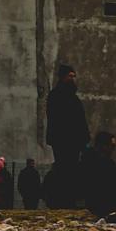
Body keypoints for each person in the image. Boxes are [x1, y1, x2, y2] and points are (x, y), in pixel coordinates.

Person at [45, 64, 90, 206]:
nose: (73, 79)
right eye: (70, 76)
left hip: (71, 140)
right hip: (65, 140)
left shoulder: (69, 97)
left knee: (70, 169)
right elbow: (60, 119)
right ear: (64, 77)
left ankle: (67, 199)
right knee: (65, 169)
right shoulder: (58, 96)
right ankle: (64, 200)